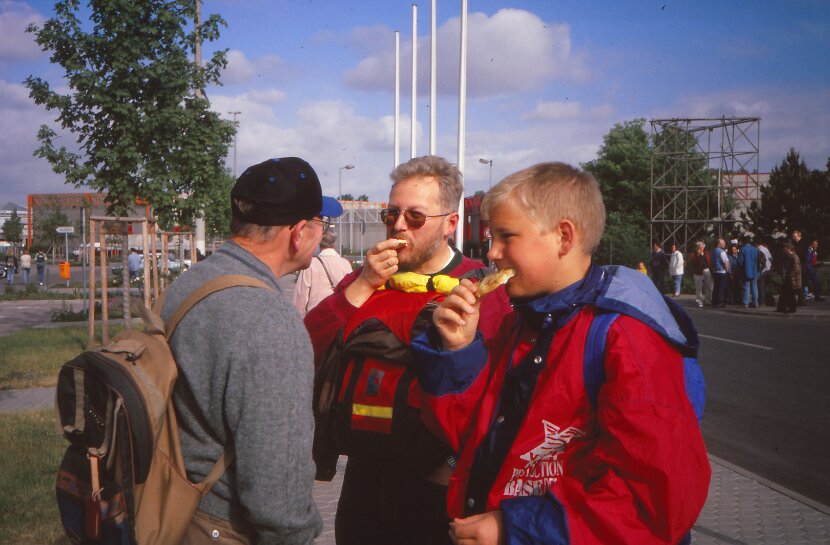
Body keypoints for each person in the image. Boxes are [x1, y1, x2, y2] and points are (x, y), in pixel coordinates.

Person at [411, 162, 710, 544]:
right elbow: (475, 439)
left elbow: (653, 499)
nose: (492, 253)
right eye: (491, 237)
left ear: (563, 237)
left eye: (506, 236)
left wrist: (515, 529)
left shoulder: (626, 336)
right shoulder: (523, 321)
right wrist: (457, 352)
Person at [304, 155, 511, 545]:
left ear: (450, 223)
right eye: (391, 214)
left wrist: (454, 464)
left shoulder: (480, 290)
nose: (399, 226)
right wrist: (361, 286)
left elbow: (499, 396)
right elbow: (306, 348)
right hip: (363, 481)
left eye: (415, 217)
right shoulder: (368, 279)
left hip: (433, 490)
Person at [159, 157, 339, 543]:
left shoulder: (192, 283)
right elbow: (278, 494)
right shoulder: (270, 322)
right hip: (223, 527)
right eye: (321, 224)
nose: (321, 235)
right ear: (299, 232)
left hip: (171, 508)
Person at [292, 229, 353, 316]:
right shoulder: (345, 264)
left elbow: (300, 299)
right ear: (334, 243)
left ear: (319, 242)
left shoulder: (310, 265)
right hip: (339, 318)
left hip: (316, 318)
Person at [777, 241, 801, 313]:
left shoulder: (794, 256)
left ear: (788, 248)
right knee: (784, 293)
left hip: (791, 278)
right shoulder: (787, 256)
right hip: (788, 278)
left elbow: (796, 269)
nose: (783, 249)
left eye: (785, 248)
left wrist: (790, 275)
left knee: (790, 294)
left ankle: (791, 308)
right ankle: (781, 308)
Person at [737, 235, 760, 308]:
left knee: (746, 287)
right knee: (754, 287)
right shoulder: (755, 249)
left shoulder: (743, 250)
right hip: (755, 270)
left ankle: (746, 303)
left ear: (743, 242)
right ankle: (755, 302)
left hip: (746, 271)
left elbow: (740, 262)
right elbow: (758, 260)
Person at [689, 241, 712, 307]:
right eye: (699, 247)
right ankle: (699, 301)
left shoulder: (706, 253)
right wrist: (698, 255)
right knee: (699, 288)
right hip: (698, 272)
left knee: (708, 286)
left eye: (702, 247)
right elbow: (692, 261)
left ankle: (708, 300)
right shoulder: (694, 254)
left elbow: (709, 261)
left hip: (706, 270)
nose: (700, 249)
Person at [711, 238, 730, 308]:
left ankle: (714, 301)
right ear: (719, 244)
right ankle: (720, 301)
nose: (724, 245)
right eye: (723, 243)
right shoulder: (722, 252)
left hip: (715, 271)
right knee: (721, 288)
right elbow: (726, 262)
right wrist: (727, 269)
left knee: (716, 287)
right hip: (722, 271)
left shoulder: (713, 251)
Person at [791, 230, 808, 305]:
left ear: (799, 236)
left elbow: (798, 254)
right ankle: (801, 300)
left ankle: (802, 300)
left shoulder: (801, 244)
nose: (793, 238)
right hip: (801, 264)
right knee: (800, 283)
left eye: (794, 236)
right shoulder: (799, 243)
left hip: (801, 265)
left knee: (799, 283)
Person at [756, 238, 773, 306]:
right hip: (769, 269)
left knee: (761, 287)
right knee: (767, 286)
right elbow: (771, 259)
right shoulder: (766, 249)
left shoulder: (758, 250)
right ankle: (769, 300)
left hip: (763, 271)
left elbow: (761, 261)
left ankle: (762, 302)